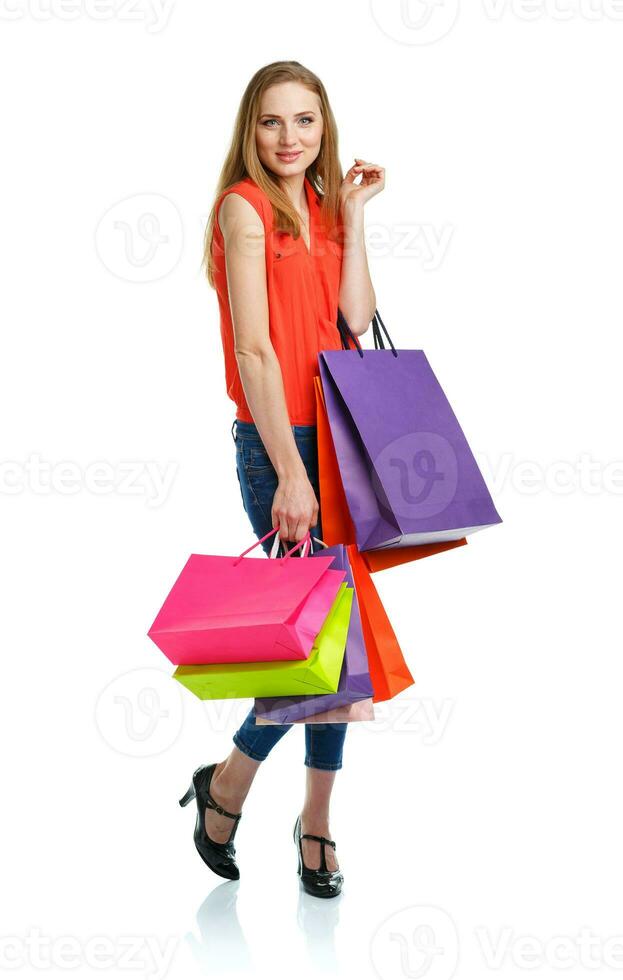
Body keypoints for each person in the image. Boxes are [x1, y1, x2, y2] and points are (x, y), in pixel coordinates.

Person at [181, 60, 383, 898]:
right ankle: (268, 805)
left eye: (305, 122)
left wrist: (359, 220)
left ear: (324, 128)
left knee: (334, 649)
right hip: (285, 443)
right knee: (317, 644)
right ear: (249, 130)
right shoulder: (244, 208)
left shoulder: (327, 206)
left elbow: (357, 320)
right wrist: (290, 472)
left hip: (341, 435)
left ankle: (273, 804)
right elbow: (255, 353)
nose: (289, 138)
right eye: (272, 123)